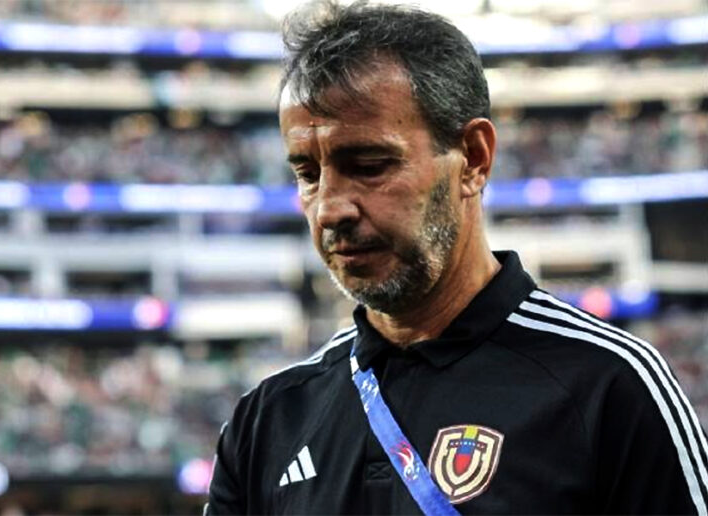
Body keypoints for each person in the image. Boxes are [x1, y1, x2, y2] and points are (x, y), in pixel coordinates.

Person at [206, 1, 708, 514]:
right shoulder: (267, 421)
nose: (329, 208)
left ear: (473, 157)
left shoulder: (610, 386)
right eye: (308, 174)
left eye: (370, 165)